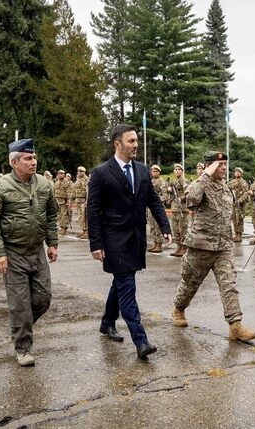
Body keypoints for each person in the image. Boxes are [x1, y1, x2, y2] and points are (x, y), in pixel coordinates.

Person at [87, 124, 172, 360]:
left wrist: (165, 226)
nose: (136, 145)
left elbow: (153, 200)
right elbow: (93, 210)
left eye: (136, 140)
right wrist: (96, 243)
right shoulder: (101, 172)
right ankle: (141, 341)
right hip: (114, 240)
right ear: (117, 144)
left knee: (120, 283)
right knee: (127, 286)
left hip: (136, 238)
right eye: (131, 141)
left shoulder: (142, 170)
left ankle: (107, 322)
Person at [0, 138, 58, 367]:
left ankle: (20, 325)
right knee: (20, 304)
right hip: (13, 253)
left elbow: (51, 215)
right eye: (27, 158)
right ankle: (23, 348)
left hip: (37, 251)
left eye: (34, 158)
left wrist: (52, 243)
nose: (33, 162)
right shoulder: (0, 187)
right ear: (14, 162)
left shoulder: (44, 184)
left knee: (43, 298)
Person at [171, 151, 255, 342]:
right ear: (209, 166)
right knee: (190, 283)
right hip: (201, 245)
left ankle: (235, 325)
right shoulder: (200, 184)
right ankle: (178, 308)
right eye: (220, 165)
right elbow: (191, 200)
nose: (224, 168)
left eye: (225, 164)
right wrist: (205, 175)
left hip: (223, 247)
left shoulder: (226, 188)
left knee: (229, 285)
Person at [168, 163, 189, 256]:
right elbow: (170, 195)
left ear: (182, 171)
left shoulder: (184, 181)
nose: (177, 171)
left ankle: (184, 248)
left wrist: (181, 198)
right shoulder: (173, 181)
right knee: (175, 229)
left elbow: (187, 193)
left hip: (182, 209)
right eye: (175, 169)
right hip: (174, 208)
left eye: (179, 169)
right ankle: (178, 247)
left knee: (183, 229)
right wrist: (169, 191)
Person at [147, 164, 170, 253]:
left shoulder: (162, 182)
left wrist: (155, 201)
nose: (154, 173)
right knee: (152, 226)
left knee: (158, 226)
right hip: (150, 208)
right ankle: (155, 243)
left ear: (159, 172)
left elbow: (165, 195)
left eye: (156, 171)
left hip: (158, 207)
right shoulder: (151, 181)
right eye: (153, 171)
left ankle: (159, 244)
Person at [227, 167, 249, 243]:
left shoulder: (243, 182)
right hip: (233, 203)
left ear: (241, 174)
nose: (237, 173)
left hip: (240, 204)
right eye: (236, 172)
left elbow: (246, 193)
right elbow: (227, 189)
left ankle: (239, 235)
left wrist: (240, 200)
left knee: (239, 219)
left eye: (239, 172)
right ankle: (236, 234)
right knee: (234, 219)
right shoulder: (232, 182)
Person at [73, 166, 90, 239]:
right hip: (78, 201)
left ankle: (87, 232)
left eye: (80, 171)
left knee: (85, 217)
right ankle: (83, 230)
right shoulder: (78, 180)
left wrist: (87, 201)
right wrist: (71, 199)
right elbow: (74, 190)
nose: (78, 173)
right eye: (78, 171)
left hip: (83, 201)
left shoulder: (87, 180)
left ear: (84, 172)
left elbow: (88, 191)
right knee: (80, 217)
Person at [54, 170, 72, 235]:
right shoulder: (56, 182)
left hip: (64, 201)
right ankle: (61, 227)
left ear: (64, 175)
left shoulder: (66, 182)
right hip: (57, 201)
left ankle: (65, 228)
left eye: (61, 173)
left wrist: (68, 201)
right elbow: (54, 191)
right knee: (59, 215)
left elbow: (69, 192)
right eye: (59, 173)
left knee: (64, 215)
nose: (60, 175)